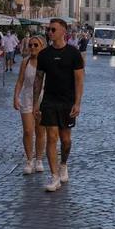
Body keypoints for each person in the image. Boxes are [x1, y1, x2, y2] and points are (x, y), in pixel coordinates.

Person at [35, 18, 85, 192]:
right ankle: (54, 176)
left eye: (53, 30)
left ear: (64, 31)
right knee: (52, 137)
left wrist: (78, 103)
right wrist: (36, 103)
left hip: (67, 101)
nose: (50, 32)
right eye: (49, 29)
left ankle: (63, 164)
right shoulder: (44, 54)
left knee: (65, 140)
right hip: (49, 101)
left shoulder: (74, 53)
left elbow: (79, 80)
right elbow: (38, 79)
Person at [13, 35, 47, 175]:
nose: (32, 47)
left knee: (40, 131)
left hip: (42, 99)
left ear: (42, 47)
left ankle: (39, 159)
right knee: (28, 131)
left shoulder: (46, 63)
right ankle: (29, 160)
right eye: (30, 45)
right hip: (27, 98)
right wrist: (15, 97)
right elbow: (20, 81)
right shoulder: (25, 62)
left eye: (35, 45)